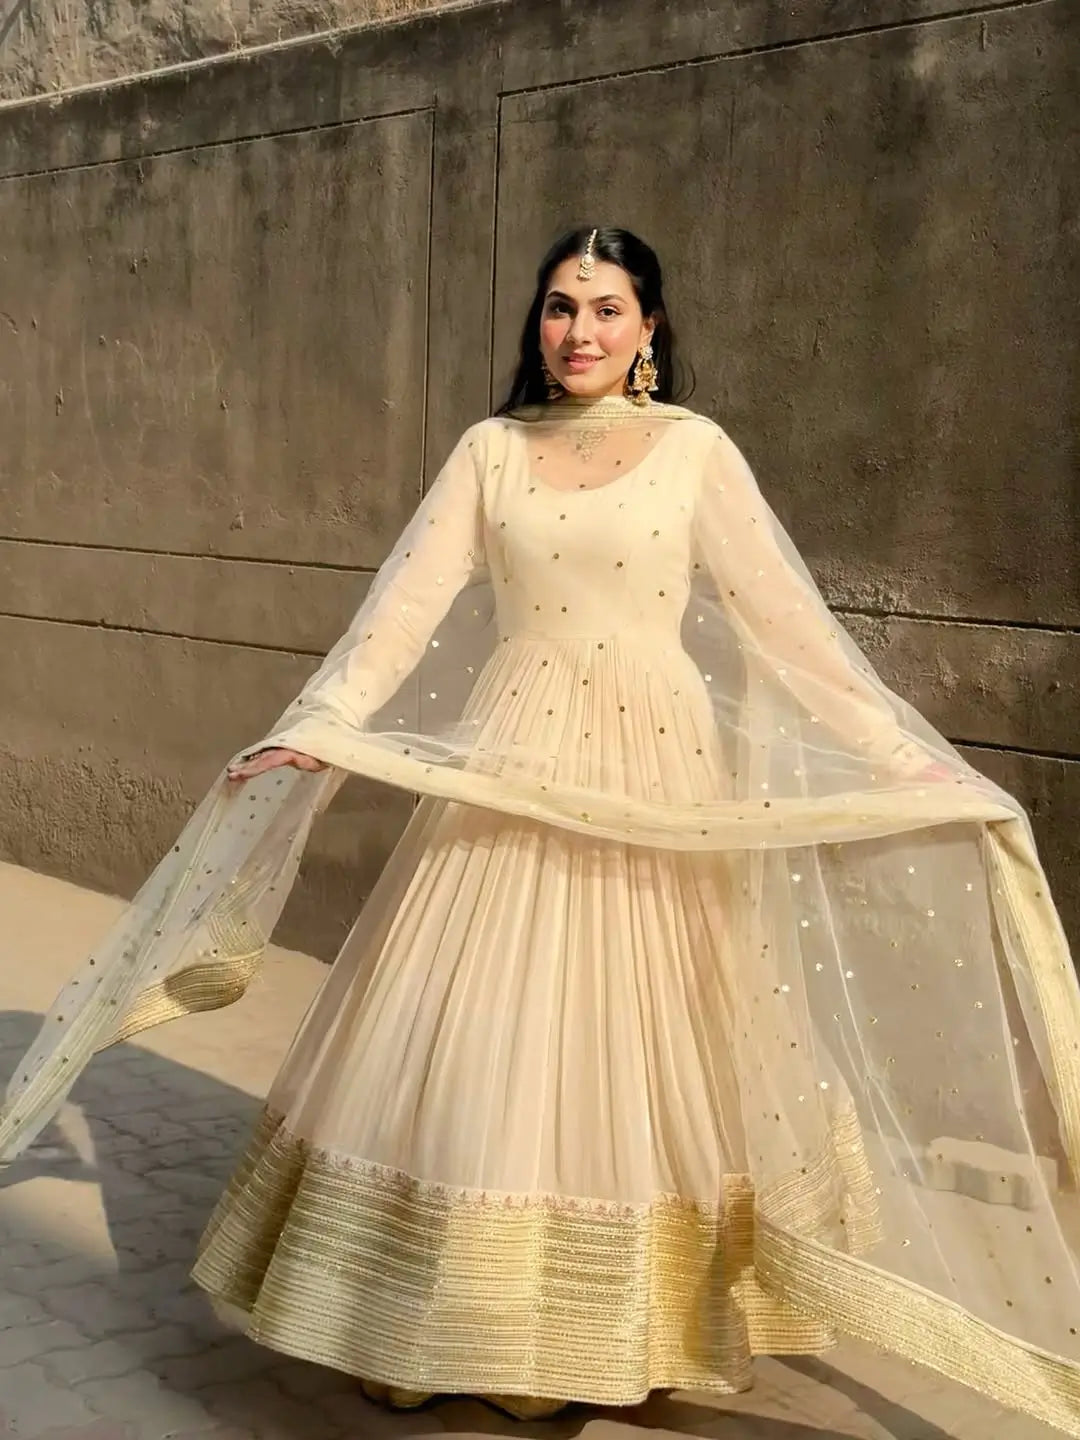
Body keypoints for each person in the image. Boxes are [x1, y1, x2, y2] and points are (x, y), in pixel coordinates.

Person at [4, 226, 1080, 1434]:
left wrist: (910, 762)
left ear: (649, 330)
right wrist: (318, 726)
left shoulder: (697, 452)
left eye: (608, 309)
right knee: (487, 1024)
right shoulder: (490, 451)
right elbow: (398, 614)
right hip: (513, 764)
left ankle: (618, 1326)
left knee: (645, 1023)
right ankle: (444, 1315)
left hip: (654, 773)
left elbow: (792, 631)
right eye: (562, 306)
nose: (579, 331)